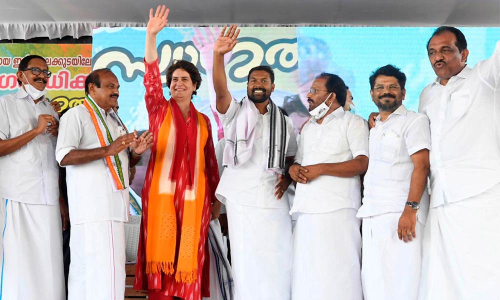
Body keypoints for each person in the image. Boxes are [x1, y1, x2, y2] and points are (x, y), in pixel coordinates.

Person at [133, 6, 221, 300]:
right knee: (163, 256)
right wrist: (150, 35)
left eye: (185, 79)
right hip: (161, 197)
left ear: (195, 86)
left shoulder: (204, 121)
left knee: (188, 259)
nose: (178, 84)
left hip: (195, 199)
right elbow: (149, 75)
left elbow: (210, 165)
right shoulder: (158, 110)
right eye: (173, 80)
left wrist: (216, 201)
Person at [212, 25, 298, 300]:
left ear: (272, 87)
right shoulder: (235, 112)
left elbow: (292, 156)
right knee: (246, 259)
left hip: (274, 197)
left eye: (263, 81)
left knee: (280, 255)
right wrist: (217, 56)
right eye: (253, 81)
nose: (258, 85)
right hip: (242, 197)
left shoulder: (285, 121)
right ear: (247, 85)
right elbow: (220, 90)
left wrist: (287, 176)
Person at [416, 27, 500, 300]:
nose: (437, 57)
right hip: (441, 196)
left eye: (446, 50)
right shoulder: (426, 94)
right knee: (440, 276)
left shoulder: (484, 77)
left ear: (464, 53)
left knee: (485, 270)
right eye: (432, 52)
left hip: (482, 192)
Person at [56, 68, 152, 300]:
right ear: (92, 88)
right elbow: (64, 156)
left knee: (92, 275)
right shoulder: (76, 115)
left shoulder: (114, 119)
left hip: (111, 208)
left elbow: (122, 165)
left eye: (118, 88)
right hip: (93, 208)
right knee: (104, 275)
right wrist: (108, 150)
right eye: (110, 86)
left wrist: (136, 154)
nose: (116, 92)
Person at [288, 73, 368, 300]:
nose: (309, 96)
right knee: (307, 274)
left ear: (331, 96)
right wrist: (294, 169)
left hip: (338, 209)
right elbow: (299, 161)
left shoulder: (353, 122)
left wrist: (322, 168)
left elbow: (362, 162)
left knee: (339, 273)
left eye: (315, 91)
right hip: (306, 210)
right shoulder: (309, 127)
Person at [357, 65, 430, 300]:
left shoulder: (414, 121)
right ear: (371, 94)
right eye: (380, 87)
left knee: (403, 283)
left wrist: (410, 210)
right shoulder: (374, 125)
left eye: (392, 87)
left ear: (403, 93)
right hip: (372, 215)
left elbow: (422, 166)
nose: (385, 91)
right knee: (375, 283)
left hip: (401, 216)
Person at [0, 54, 65, 300]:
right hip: (17, 195)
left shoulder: (50, 108)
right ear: (20, 75)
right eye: (35, 70)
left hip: (48, 196)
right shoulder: (6, 104)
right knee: (18, 265)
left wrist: (60, 200)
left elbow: (57, 157)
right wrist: (36, 130)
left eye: (46, 72)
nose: (42, 76)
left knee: (49, 264)